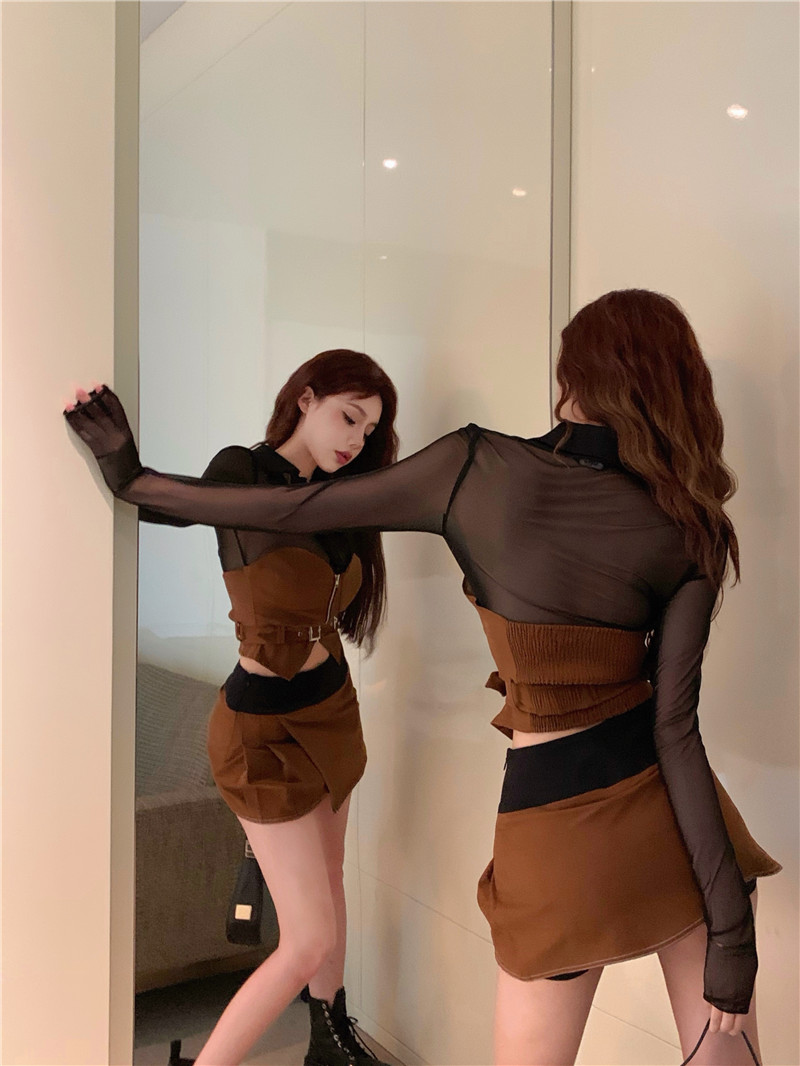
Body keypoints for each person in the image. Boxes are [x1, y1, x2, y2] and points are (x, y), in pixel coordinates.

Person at [65, 291, 781, 1066]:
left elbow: (286, 508)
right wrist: (731, 935)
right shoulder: (691, 521)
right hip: (684, 833)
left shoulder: (479, 469)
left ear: (573, 377)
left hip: (558, 837)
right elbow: (676, 731)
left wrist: (132, 479)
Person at [67, 349, 399, 1066]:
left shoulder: (345, 496)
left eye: (370, 430)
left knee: (331, 886)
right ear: (305, 399)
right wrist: (123, 467)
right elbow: (169, 506)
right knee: (306, 937)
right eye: (348, 417)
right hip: (260, 732)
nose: (356, 439)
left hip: (334, 715)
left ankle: (329, 1042)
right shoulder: (244, 472)